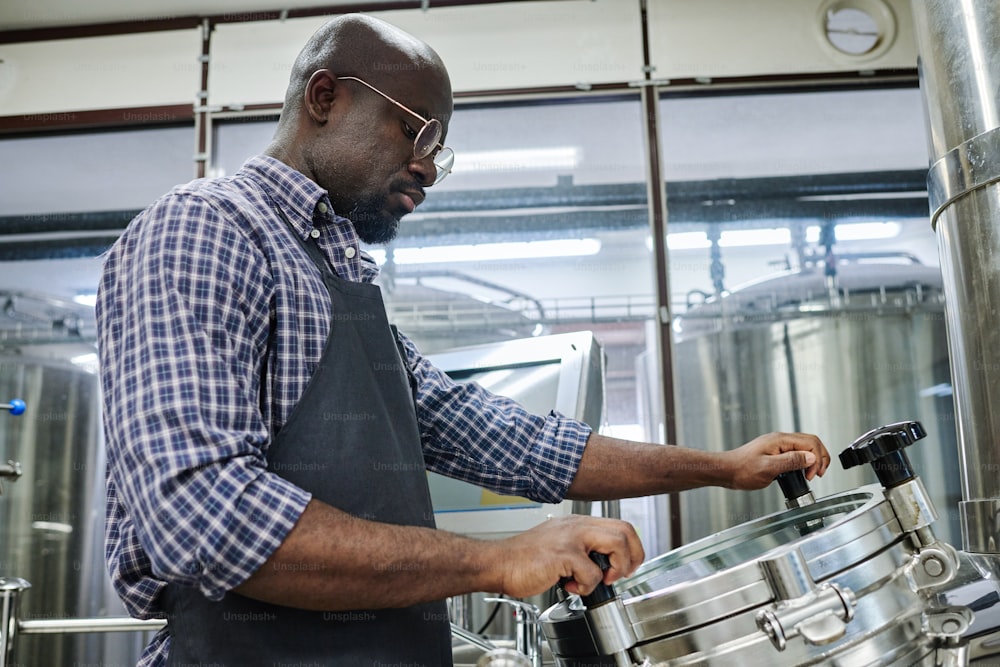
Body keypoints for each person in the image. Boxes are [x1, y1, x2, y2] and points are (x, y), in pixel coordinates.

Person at [95, 13, 830, 666]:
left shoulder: (334, 274)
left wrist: (721, 467)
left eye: (439, 149)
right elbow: (207, 514)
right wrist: (497, 560)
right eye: (417, 130)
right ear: (325, 99)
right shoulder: (203, 231)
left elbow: (508, 440)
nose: (427, 167)